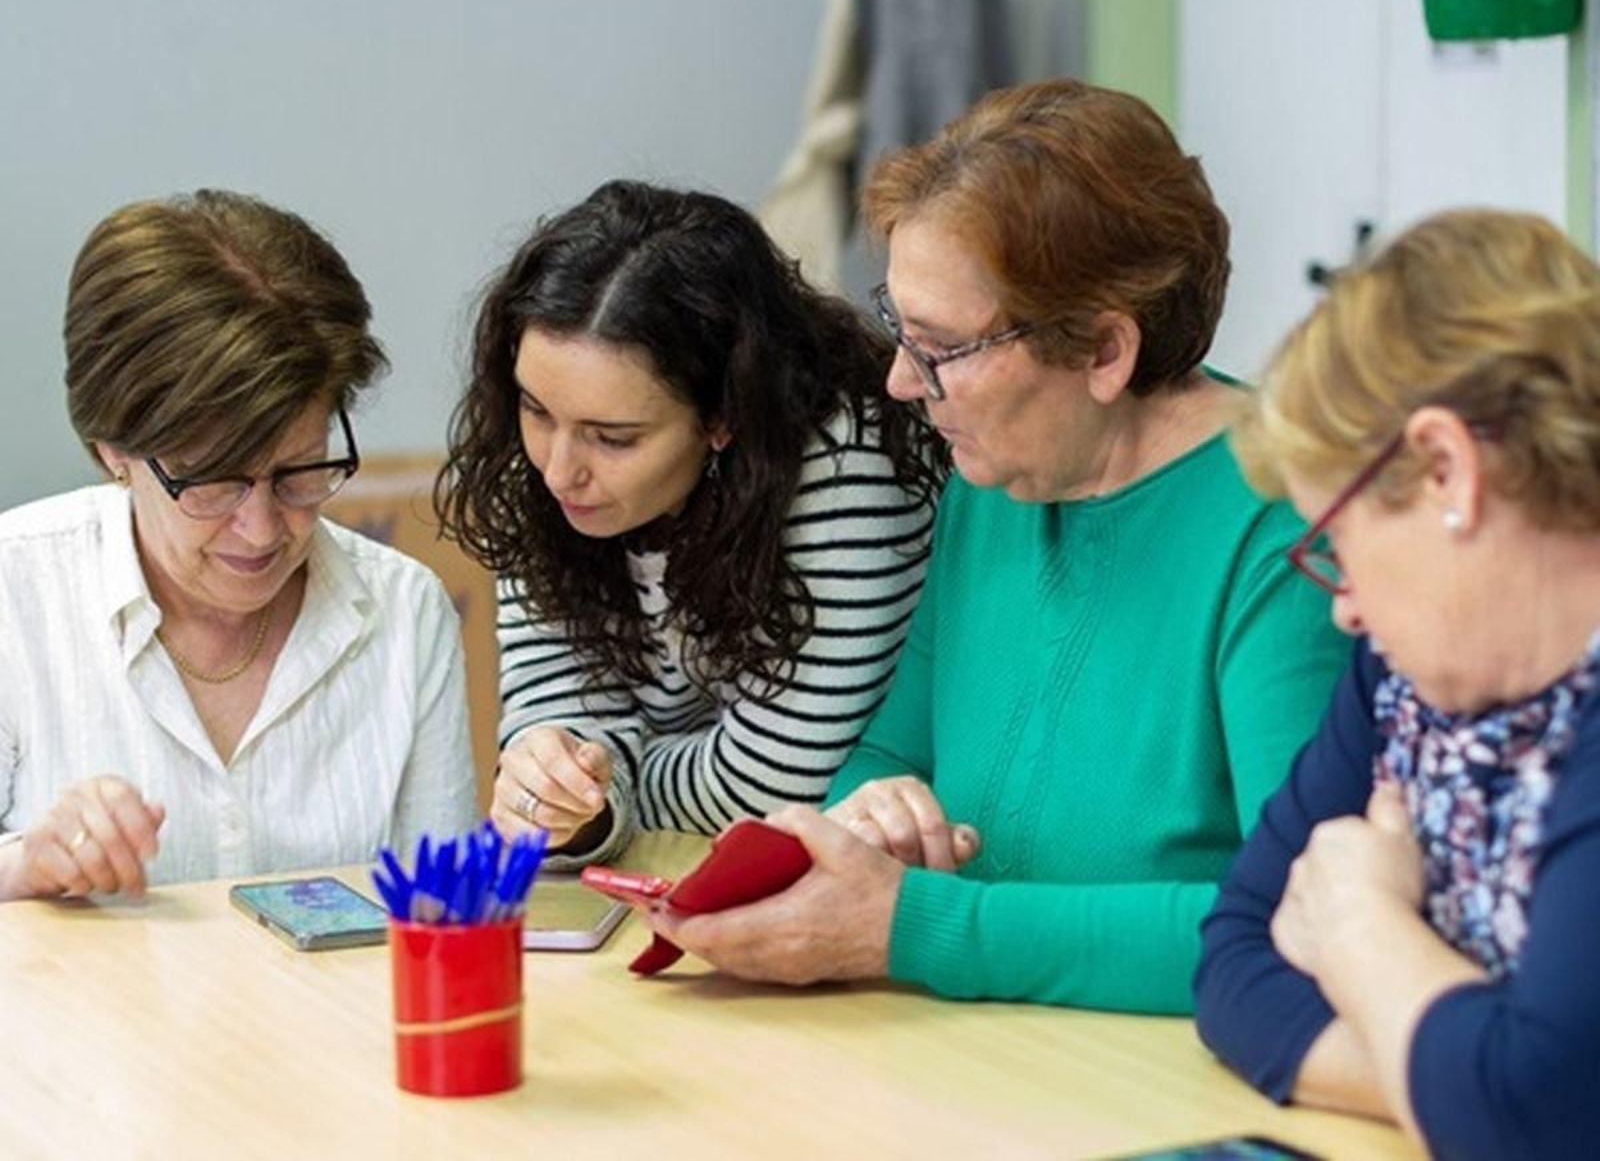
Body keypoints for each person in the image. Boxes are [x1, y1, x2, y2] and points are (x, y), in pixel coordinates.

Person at [643, 78, 1350, 1011]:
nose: (901, 380)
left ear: (1105, 351)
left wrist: (913, 926)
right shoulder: (1004, 475)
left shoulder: (1281, 528)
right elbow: (885, 751)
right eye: (899, 326)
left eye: (940, 348)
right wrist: (875, 811)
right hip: (978, 1052)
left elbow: (1306, 925)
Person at [1194, 209, 1600, 1157]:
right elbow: (1232, 961)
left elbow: (1535, 1114)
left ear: (1447, 470)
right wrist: (1457, 1073)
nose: (1343, 606)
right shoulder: (1406, 683)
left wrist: (1359, 921)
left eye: (1336, 542)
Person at [436, 180, 943, 865]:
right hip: (675, 883)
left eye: (613, 438)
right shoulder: (540, 470)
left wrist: (614, 779)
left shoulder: (844, 459)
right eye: (534, 409)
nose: (558, 470)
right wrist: (551, 787)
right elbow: (555, 722)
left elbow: (779, 786)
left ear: (724, 418)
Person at [0, 190, 476, 901]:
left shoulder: (403, 613)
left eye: (299, 472)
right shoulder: (16, 593)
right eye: (214, 482)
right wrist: (22, 867)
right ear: (113, 452)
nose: (261, 528)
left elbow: (445, 920)